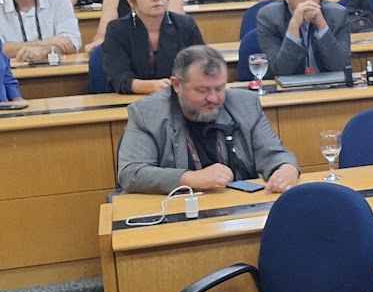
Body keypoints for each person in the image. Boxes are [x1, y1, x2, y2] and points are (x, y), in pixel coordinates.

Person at [116, 45, 300, 195]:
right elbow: (131, 173)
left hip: (237, 209)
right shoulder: (147, 113)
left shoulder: (246, 104)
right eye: (203, 90)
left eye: (220, 88)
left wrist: (287, 168)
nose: (214, 98)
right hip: (179, 211)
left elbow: (275, 154)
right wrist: (189, 178)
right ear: (177, 85)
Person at [102, 0, 205, 95]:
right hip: (132, 101)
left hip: (180, 98)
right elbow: (119, 78)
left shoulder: (185, 25)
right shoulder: (117, 30)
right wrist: (153, 86)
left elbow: (202, 66)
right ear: (131, 0)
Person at [256, 0, 351, 77]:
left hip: (329, 88)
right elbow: (282, 71)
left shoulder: (338, 15)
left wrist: (322, 26)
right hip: (288, 91)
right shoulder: (269, 17)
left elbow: (340, 67)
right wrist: (294, 25)